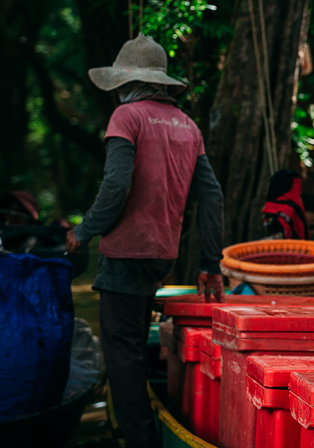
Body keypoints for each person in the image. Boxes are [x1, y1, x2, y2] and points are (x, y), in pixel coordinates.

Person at [65, 34, 225, 448]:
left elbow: (115, 185)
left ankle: (139, 441)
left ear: (126, 81)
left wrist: (82, 233)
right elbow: (211, 197)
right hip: (161, 255)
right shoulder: (187, 126)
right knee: (133, 345)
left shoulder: (127, 117)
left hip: (124, 254)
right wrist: (210, 262)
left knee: (122, 355)